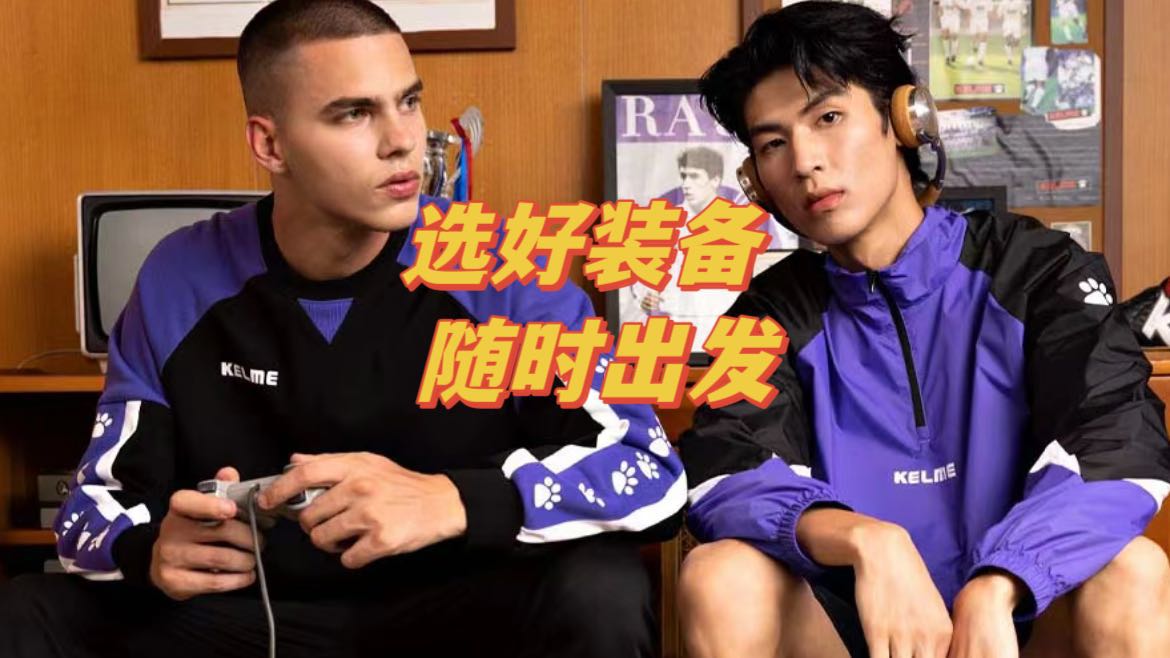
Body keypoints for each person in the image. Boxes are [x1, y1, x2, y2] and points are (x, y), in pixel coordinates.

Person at [0, 1, 686, 656]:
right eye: (354, 113)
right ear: (270, 144)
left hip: (458, 610)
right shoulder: (179, 276)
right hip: (251, 617)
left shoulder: (504, 268)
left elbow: (649, 473)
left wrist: (454, 500)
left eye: (408, 102)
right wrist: (148, 549)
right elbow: (87, 510)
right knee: (30, 608)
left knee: (601, 590)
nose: (402, 141)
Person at [677, 3, 1170, 658]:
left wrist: (1000, 581)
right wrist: (867, 540)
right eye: (772, 144)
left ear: (906, 119)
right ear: (756, 182)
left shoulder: (1035, 272)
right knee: (719, 576)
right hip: (848, 636)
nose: (804, 161)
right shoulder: (769, 314)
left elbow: (1118, 446)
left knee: (1133, 567)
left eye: (828, 118)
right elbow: (728, 472)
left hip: (1016, 628)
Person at [996, 0, 1028, 66]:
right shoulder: (1003, 3)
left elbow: (1024, 13)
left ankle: (1010, 51)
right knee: (1008, 40)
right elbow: (999, 14)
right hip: (1007, 23)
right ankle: (1009, 59)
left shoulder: (1020, 2)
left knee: (1016, 43)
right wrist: (999, 16)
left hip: (1017, 23)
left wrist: (1024, 26)